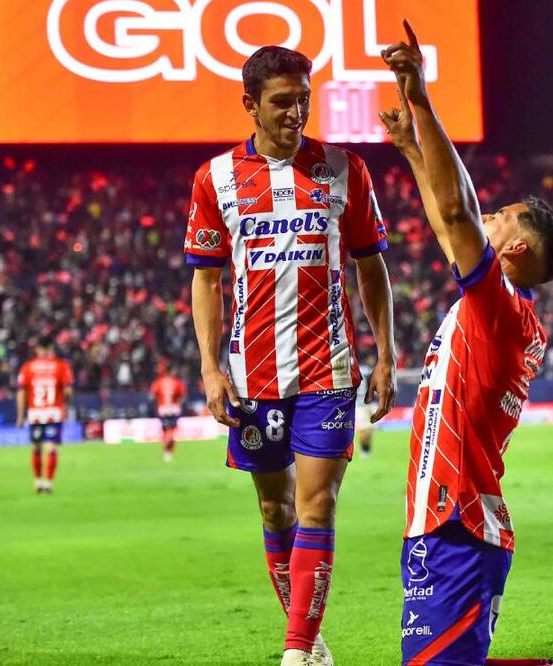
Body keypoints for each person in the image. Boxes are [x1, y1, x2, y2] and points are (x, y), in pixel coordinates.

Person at [380, 21, 553, 666]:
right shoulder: (498, 306)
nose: (487, 216)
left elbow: (454, 215)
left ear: (516, 249)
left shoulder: (499, 310)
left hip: (457, 520)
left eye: (500, 217)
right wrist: (415, 152)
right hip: (445, 519)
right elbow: (452, 226)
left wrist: (421, 100)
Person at [185, 45, 397, 666]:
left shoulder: (344, 169)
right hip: (253, 374)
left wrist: (386, 354)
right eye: (282, 101)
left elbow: (371, 265)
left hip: (327, 369)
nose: (296, 111)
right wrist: (209, 367)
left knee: (318, 501)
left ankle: (297, 649)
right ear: (250, 104)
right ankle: (310, 635)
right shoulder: (215, 178)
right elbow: (206, 278)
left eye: (304, 98)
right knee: (274, 507)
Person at [16, 337, 73, 495]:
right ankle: (48, 483)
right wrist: (66, 405)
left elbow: (21, 393)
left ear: (38, 349)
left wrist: (20, 415)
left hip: (35, 413)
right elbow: (68, 391)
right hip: (53, 413)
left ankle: (38, 482)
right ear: (50, 348)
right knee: (51, 447)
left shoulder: (28, 367)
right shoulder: (61, 366)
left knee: (36, 447)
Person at [151, 361, 187, 461]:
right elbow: (183, 396)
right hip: (174, 409)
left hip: (162, 409)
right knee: (171, 430)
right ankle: (169, 451)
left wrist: (159, 403)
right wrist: (178, 404)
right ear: (172, 371)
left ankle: (166, 451)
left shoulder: (159, 381)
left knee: (165, 431)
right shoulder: (177, 382)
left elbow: (152, 396)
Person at [354, 367, 378, 458]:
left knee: (369, 429)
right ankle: (365, 450)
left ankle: (366, 449)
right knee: (365, 429)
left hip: (368, 404)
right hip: (362, 405)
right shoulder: (367, 371)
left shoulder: (355, 370)